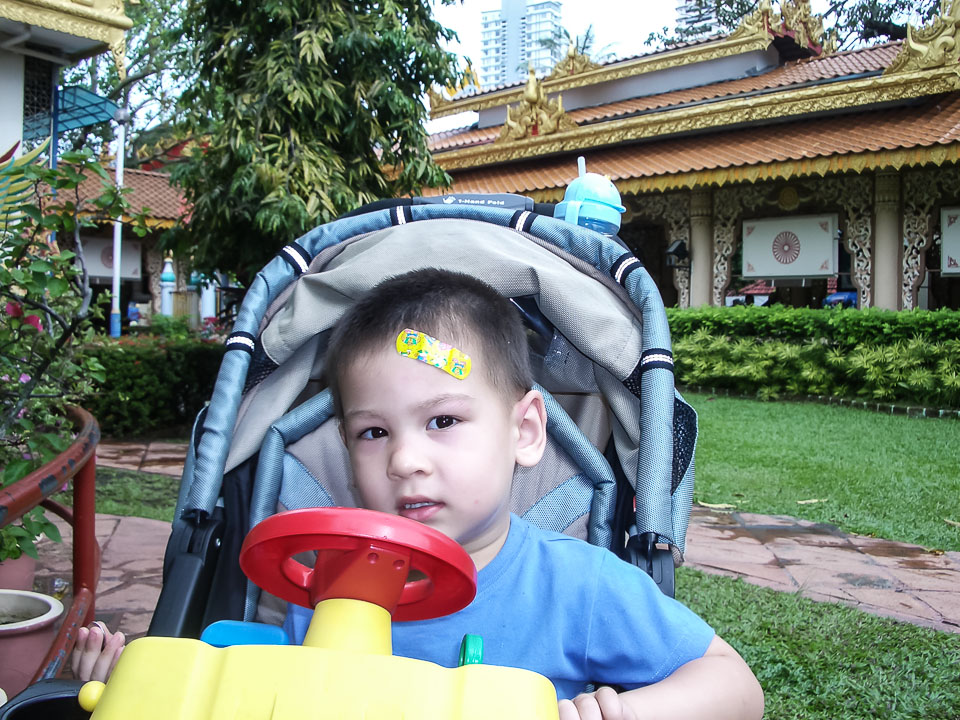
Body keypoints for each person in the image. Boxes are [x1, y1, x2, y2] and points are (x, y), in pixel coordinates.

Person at [74, 269, 763, 720]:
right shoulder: (321, 589)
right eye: (373, 432)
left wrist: (625, 711)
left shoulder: (579, 587)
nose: (405, 460)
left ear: (526, 431)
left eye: (443, 421)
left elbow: (736, 687)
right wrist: (138, 676)